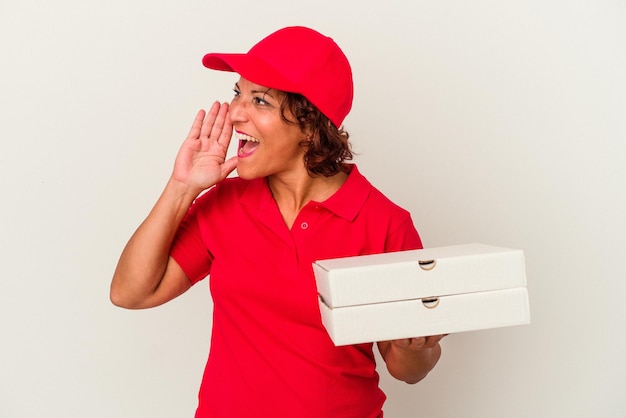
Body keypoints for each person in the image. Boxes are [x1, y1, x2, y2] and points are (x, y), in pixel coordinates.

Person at [110, 26, 445, 418]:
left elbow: (406, 370)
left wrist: (415, 346)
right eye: (238, 93)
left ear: (310, 124)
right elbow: (131, 294)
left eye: (260, 100)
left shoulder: (383, 223)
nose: (235, 113)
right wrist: (181, 188)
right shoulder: (226, 203)